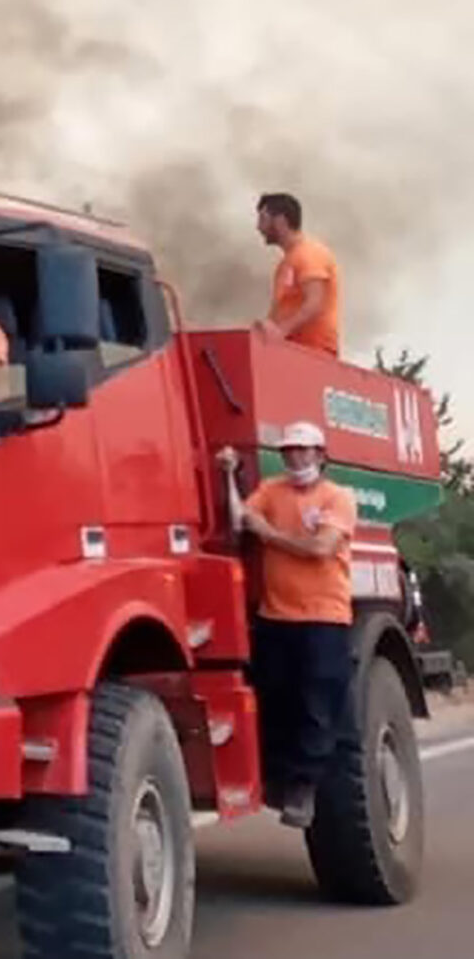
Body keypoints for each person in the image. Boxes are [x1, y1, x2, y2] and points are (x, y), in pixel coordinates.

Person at [217, 422, 358, 828]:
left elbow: (320, 549)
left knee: (317, 706)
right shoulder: (273, 491)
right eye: (289, 451)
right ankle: (279, 780)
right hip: (277, 618)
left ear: (320, 454)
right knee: (277, 701)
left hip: (324, 619)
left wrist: (270, 535)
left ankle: (304, 788)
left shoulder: (337, 497)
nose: (295, 457)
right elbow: (241, 519)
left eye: (302, 450)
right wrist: (228, 475)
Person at [254, 192, 341, 356]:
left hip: (315, 353)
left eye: (263, 219)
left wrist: (280, 332)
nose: (258, 227)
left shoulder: (310, 253)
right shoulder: (285, 264)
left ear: (280, 220)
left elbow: (315, 303)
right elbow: (277, 314)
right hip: (291, 353)